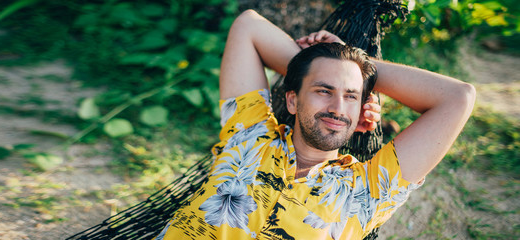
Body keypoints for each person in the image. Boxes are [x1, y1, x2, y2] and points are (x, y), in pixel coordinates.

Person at [155, 10, 475, 240]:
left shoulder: (366, 191)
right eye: (324, 91)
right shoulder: (249, 134)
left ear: (363, 106)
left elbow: (458, 97)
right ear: (292, 101)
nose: (338, 108)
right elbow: (249, 26)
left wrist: (361, 68)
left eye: (351, 97)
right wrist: (325, 61)